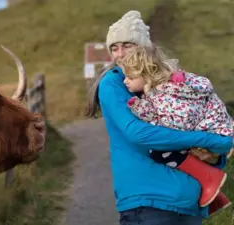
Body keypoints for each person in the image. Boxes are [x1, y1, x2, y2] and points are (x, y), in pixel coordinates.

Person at [85, 10, 233, 225]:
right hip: (149, 200)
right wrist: (207, 140)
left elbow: (203, 120)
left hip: (188, 202)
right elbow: (139, 133)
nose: (120, 54)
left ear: (145, 49)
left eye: (127, 45)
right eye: (114, 48)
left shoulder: (171, 83)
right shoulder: (114, 82)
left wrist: (215, 153)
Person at [116, 45, 233, 214]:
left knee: (161, 150)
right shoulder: (161, 90)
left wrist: (154, 125)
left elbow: (179, 122)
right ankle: (212, 191)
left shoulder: (169, 92)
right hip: (216, 132)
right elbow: (161, 113)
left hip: (215, 132)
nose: (125, 81)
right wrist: (139, 108)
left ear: (147, 74)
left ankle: (209, 180)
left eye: (130, 77)